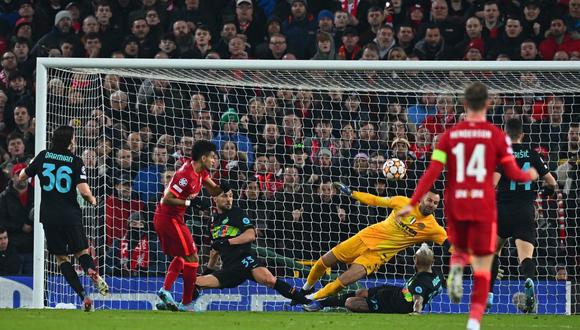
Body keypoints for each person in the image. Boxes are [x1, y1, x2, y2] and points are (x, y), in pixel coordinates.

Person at [397, 82, 538, 330]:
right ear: (486, 105)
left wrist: (412, 202)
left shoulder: (449, 137)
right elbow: (513, 170)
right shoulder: (495, 135)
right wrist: (529, 176)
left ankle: (456, 268)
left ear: (464, 105)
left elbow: (432, 173)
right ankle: (474, 320)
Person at [157, 183, 310, 310]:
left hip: (245, 259)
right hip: (229, 268)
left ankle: (308, 302)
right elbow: (215, 250)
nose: (229, 199)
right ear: (215, 198)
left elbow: (251, 235)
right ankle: (178, 305)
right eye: (225, 196)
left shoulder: (236, 213)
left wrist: (229, 242)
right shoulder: (212, 222)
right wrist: (208, 270)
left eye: (231, 196)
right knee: (195, 282)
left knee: (270, 280)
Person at [302, 182, 449, 311]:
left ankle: (310, 298)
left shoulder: (433, 228)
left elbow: (451, 246)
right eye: (429, 200)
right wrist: (352, 193)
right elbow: (375, 200)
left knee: (343, 281)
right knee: (323, 262)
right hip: (365, 237)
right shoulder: (403, 202)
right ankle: (305, 289)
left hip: (377, 256)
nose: (431, 204)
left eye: (435, 203)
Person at [18, 126, 106, 312]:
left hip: (49, 216)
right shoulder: (75, 161)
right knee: (82, 253)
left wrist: (27, 173)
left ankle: (84, 296)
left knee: (61, 259)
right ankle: (91, 271)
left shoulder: (43, 156)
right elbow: (83, 191)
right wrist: (93, 200)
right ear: (69, 141)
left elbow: (22, 176)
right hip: (70, 215)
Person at [488, 118, 557, 312]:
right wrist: (545, 192)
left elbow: (492, 183)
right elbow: (551, 182)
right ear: (522, 134)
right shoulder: (533, 153)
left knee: (493, 252)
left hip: (503, 210)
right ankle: (528, 281)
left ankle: (489, 294)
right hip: (526, 210)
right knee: (526, 256)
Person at [154, 140, 228, 312]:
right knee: (192, 257)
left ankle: (165, 290)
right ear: (203, 158)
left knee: (183, 256)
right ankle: (187, 303)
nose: (214, 161)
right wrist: (190, 202)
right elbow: (167, 199)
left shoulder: (200, 172)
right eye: (212, 158)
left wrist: (224, 187)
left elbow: (214, 191)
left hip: (174, 218)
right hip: (167, 218)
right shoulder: (185, 175)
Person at [317, 243, 444, 315]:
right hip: (398, 293)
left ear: (415, 261)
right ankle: (322, 303)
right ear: (433, 261)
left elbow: (418, 300)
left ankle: (326, 304)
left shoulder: (420, 283)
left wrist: (416, 312)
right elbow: (440, 283)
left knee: (350, 302)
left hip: (393, 305)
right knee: (362, 292)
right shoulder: (437, 273)